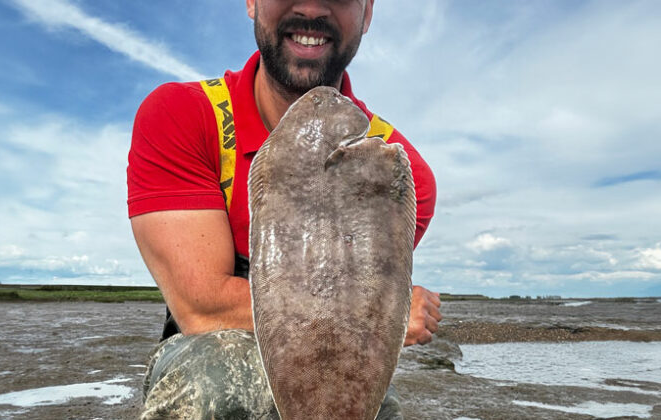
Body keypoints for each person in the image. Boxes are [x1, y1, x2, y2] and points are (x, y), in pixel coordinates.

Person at [127, 0, 441, 418]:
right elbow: (202, 306)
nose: (311, 7)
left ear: (367, 13)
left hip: (339, 368)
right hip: (208, 352)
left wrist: (382, 312)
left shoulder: (403, 175)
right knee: (216, 382)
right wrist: (392, 315)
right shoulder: (183, 115)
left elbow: (360, 320)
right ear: (252, 2)